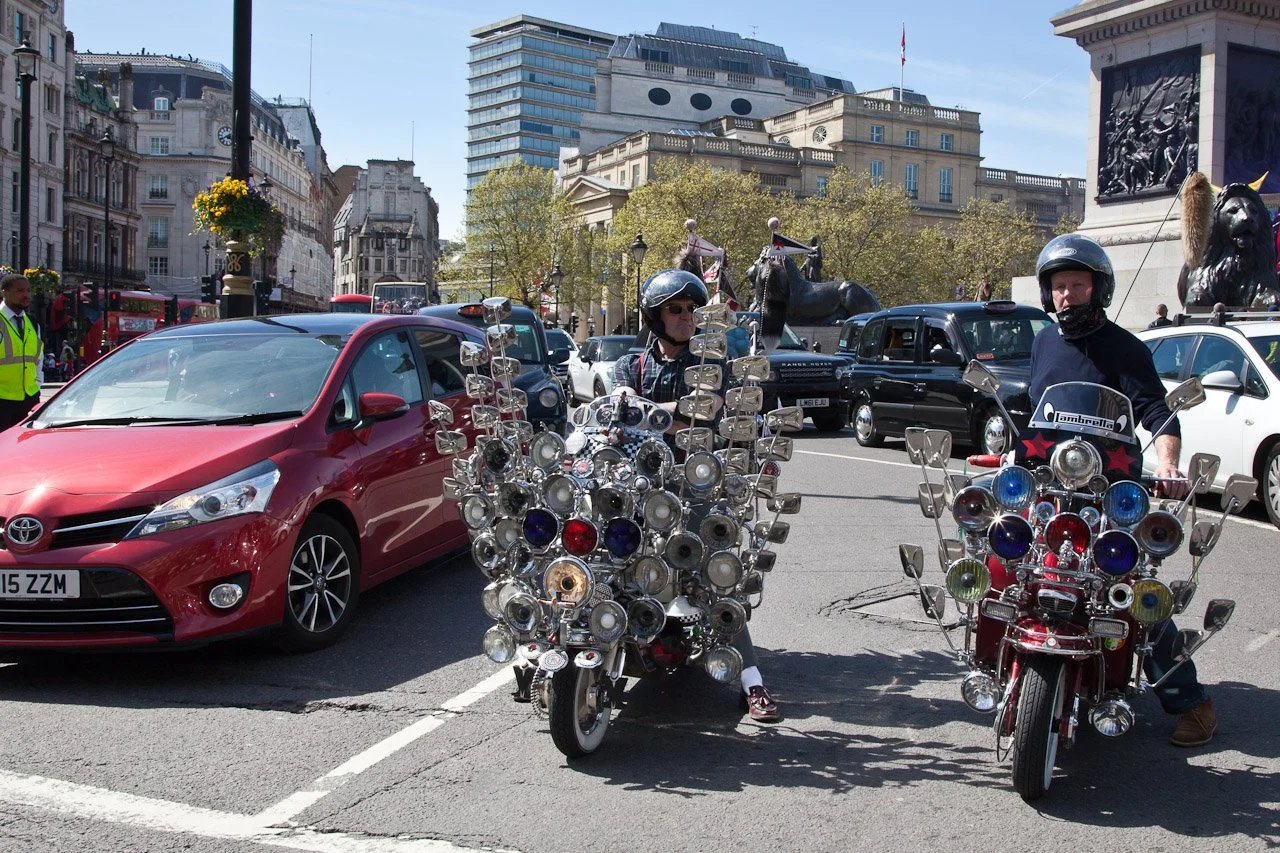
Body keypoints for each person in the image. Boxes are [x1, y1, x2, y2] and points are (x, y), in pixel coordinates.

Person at [1030, 233, 1216, 747]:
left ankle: (1191, 702)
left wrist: (1169, 462)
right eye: (1059, 286)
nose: (1067, 294)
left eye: (1077, 285)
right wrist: (1009, 452)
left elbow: (1158, 414)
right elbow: (1035, 413)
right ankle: (1009, 664)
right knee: (1009, 561)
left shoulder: (1127, 349)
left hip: (1114, 492)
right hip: (1052, 486)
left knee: (1132, 594)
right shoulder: (1044, 341)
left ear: (1098, 289)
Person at [613, 269, 782, 723]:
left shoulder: (712, 363)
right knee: (607, 558)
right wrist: (659, 413)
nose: (686, 317)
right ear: (655, 316)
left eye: (691, 309)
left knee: (718, 573)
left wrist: (649, 413)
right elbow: (619, 407)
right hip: (640, 484)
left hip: (695, 484)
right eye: (676, 310)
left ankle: (752, 683)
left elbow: (704, 416)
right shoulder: (633, 365)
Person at [0, 272, 44, 432]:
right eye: (20, 291)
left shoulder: (32, 322)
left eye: (28, 290)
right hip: (2, 400)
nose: (26, 295)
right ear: (4, 292)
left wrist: (37, 384)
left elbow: (38, 358)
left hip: (29, 399)